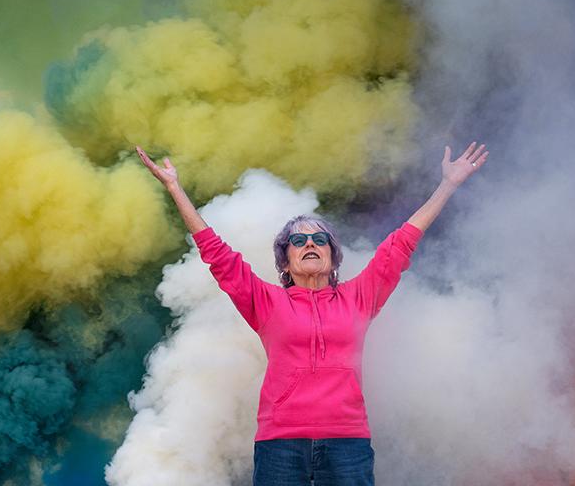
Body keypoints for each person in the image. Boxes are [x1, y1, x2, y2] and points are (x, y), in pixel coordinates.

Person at [136, 142, 488, 486]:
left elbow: (403, 241)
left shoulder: (360, 297)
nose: (310, 245)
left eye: (320, 240)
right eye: (299, 241)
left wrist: (448, 184)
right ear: (285, 261)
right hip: (281, 443)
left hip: (347, 442)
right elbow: (218, 255)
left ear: (334, 258)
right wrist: (175, 187)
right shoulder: (267, 302)